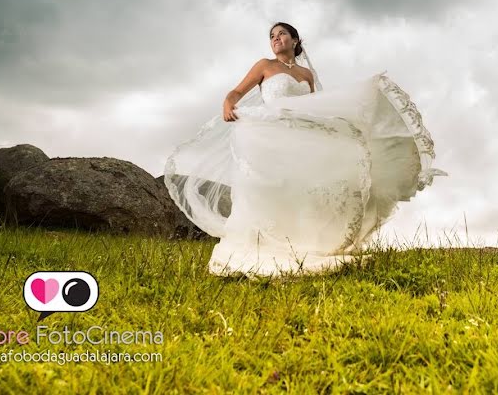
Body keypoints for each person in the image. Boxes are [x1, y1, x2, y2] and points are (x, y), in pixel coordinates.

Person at [165, 22, 446, 277]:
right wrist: (229, 103)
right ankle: (265, 243)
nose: (276, 39)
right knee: (272, 188)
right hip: (271, 133)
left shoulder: (306, 73)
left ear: (295, 40)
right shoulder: (264, 65)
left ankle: (305, 242)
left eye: (281, 34)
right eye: (272, 36)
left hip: (301, 135)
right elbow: (236, 92)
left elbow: (315, 105)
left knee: (306, 188)